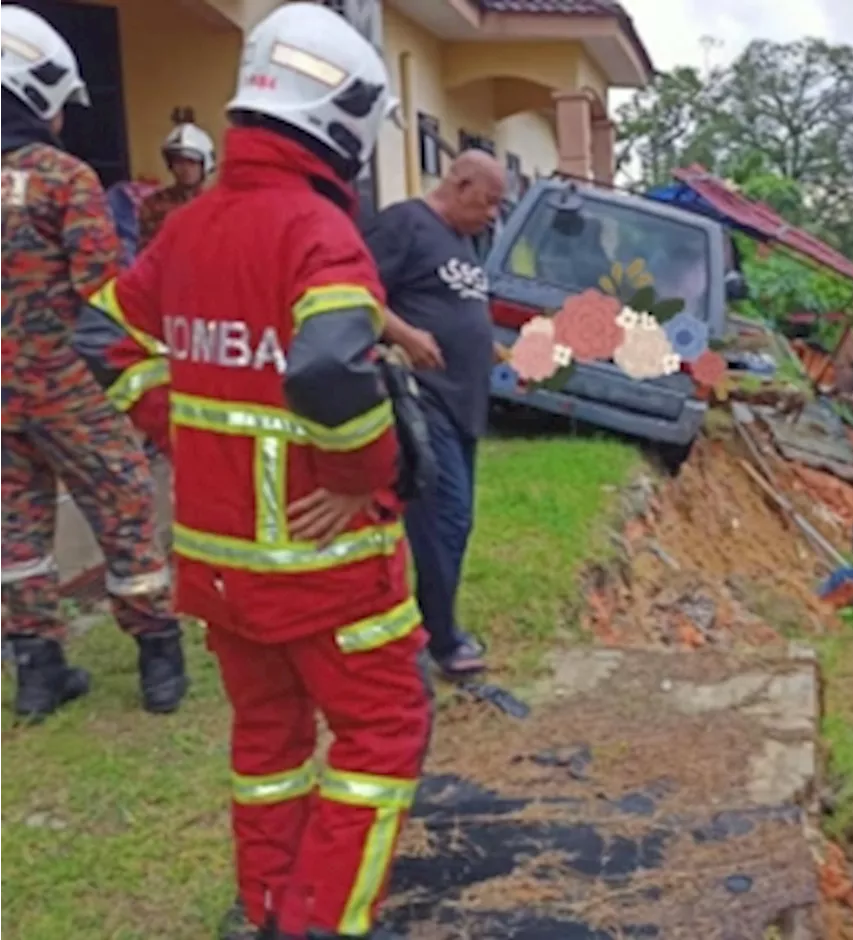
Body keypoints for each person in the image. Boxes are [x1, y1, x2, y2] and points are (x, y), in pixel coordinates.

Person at [79, 5, 429, 938]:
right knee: (380, 735)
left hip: (220, 565)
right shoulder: (318, 231)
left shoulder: (190, 227)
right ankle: (320, 923)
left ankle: (268, 908)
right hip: (326, 567)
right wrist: (364, 475)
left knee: (267, 743)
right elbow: (323, 368)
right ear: (340, 115)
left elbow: (101, 334)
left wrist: (178, 425)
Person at [0, 4, 188, 721]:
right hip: (67, 387)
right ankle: (159, 661)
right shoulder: (64, 178)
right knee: (125, 502)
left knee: (16, 530)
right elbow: (106, 295)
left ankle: (38, 674)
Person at [363, 150, 507, 679]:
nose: (493, 214)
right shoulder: (405, 223)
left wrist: (485, 344)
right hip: (421, 397)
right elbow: (355, 294)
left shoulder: (464, 241)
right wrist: (405, 335)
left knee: (456, 520)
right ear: (460, 182)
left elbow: (453, 303)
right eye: (488, 201)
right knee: (444, 518)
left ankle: (430, 626)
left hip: (463, 402)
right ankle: (440, 640)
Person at [135, 109, 214, 253]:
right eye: (179, 162)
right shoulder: (153, 204)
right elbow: (145, 254)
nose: (185, 169)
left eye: (192, 162)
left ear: (204, 165)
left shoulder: (215, 205)